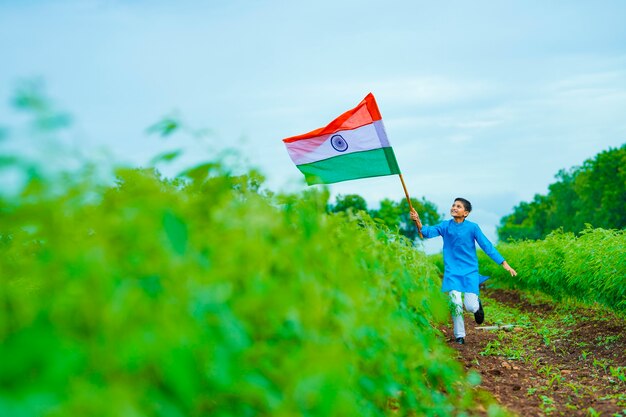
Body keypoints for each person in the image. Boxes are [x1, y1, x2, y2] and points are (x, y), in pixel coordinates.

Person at [410, 198, 517, 345]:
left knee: (470, 306)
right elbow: (426, 233)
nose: (454, 207)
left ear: (465, 213)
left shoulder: (473, 228)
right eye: (453, 205)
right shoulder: (445, 226)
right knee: (455, 302)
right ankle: (460, 335)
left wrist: (504, 263)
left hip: (470, 271)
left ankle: (477, 305)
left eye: (458, 206)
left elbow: (486, 245)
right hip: (452, 271)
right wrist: (417, 220)